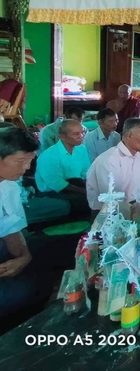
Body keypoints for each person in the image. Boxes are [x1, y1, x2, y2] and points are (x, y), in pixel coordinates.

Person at [0, 127, 60, 318]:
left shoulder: (9, 185)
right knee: (25, 290)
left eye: (30, 161)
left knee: (48, 264)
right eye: (21, 161)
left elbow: (11, 227)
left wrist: (23, 256)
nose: (26, 167)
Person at [86, 118, 140, 215]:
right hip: (108, 214)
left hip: (136, 208)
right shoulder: (109, 160)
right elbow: (112, 198)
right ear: (129, 135)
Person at [35, 120, 91, 213]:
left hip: (76, 185)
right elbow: (58, 184)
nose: (81, 136)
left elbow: (86, 172)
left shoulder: (82, 149)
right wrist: (84, 191)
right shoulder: (49, 156)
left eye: (82, 132)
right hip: (52, 193)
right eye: (76, 134)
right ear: (62, 136)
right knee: (83, 201)